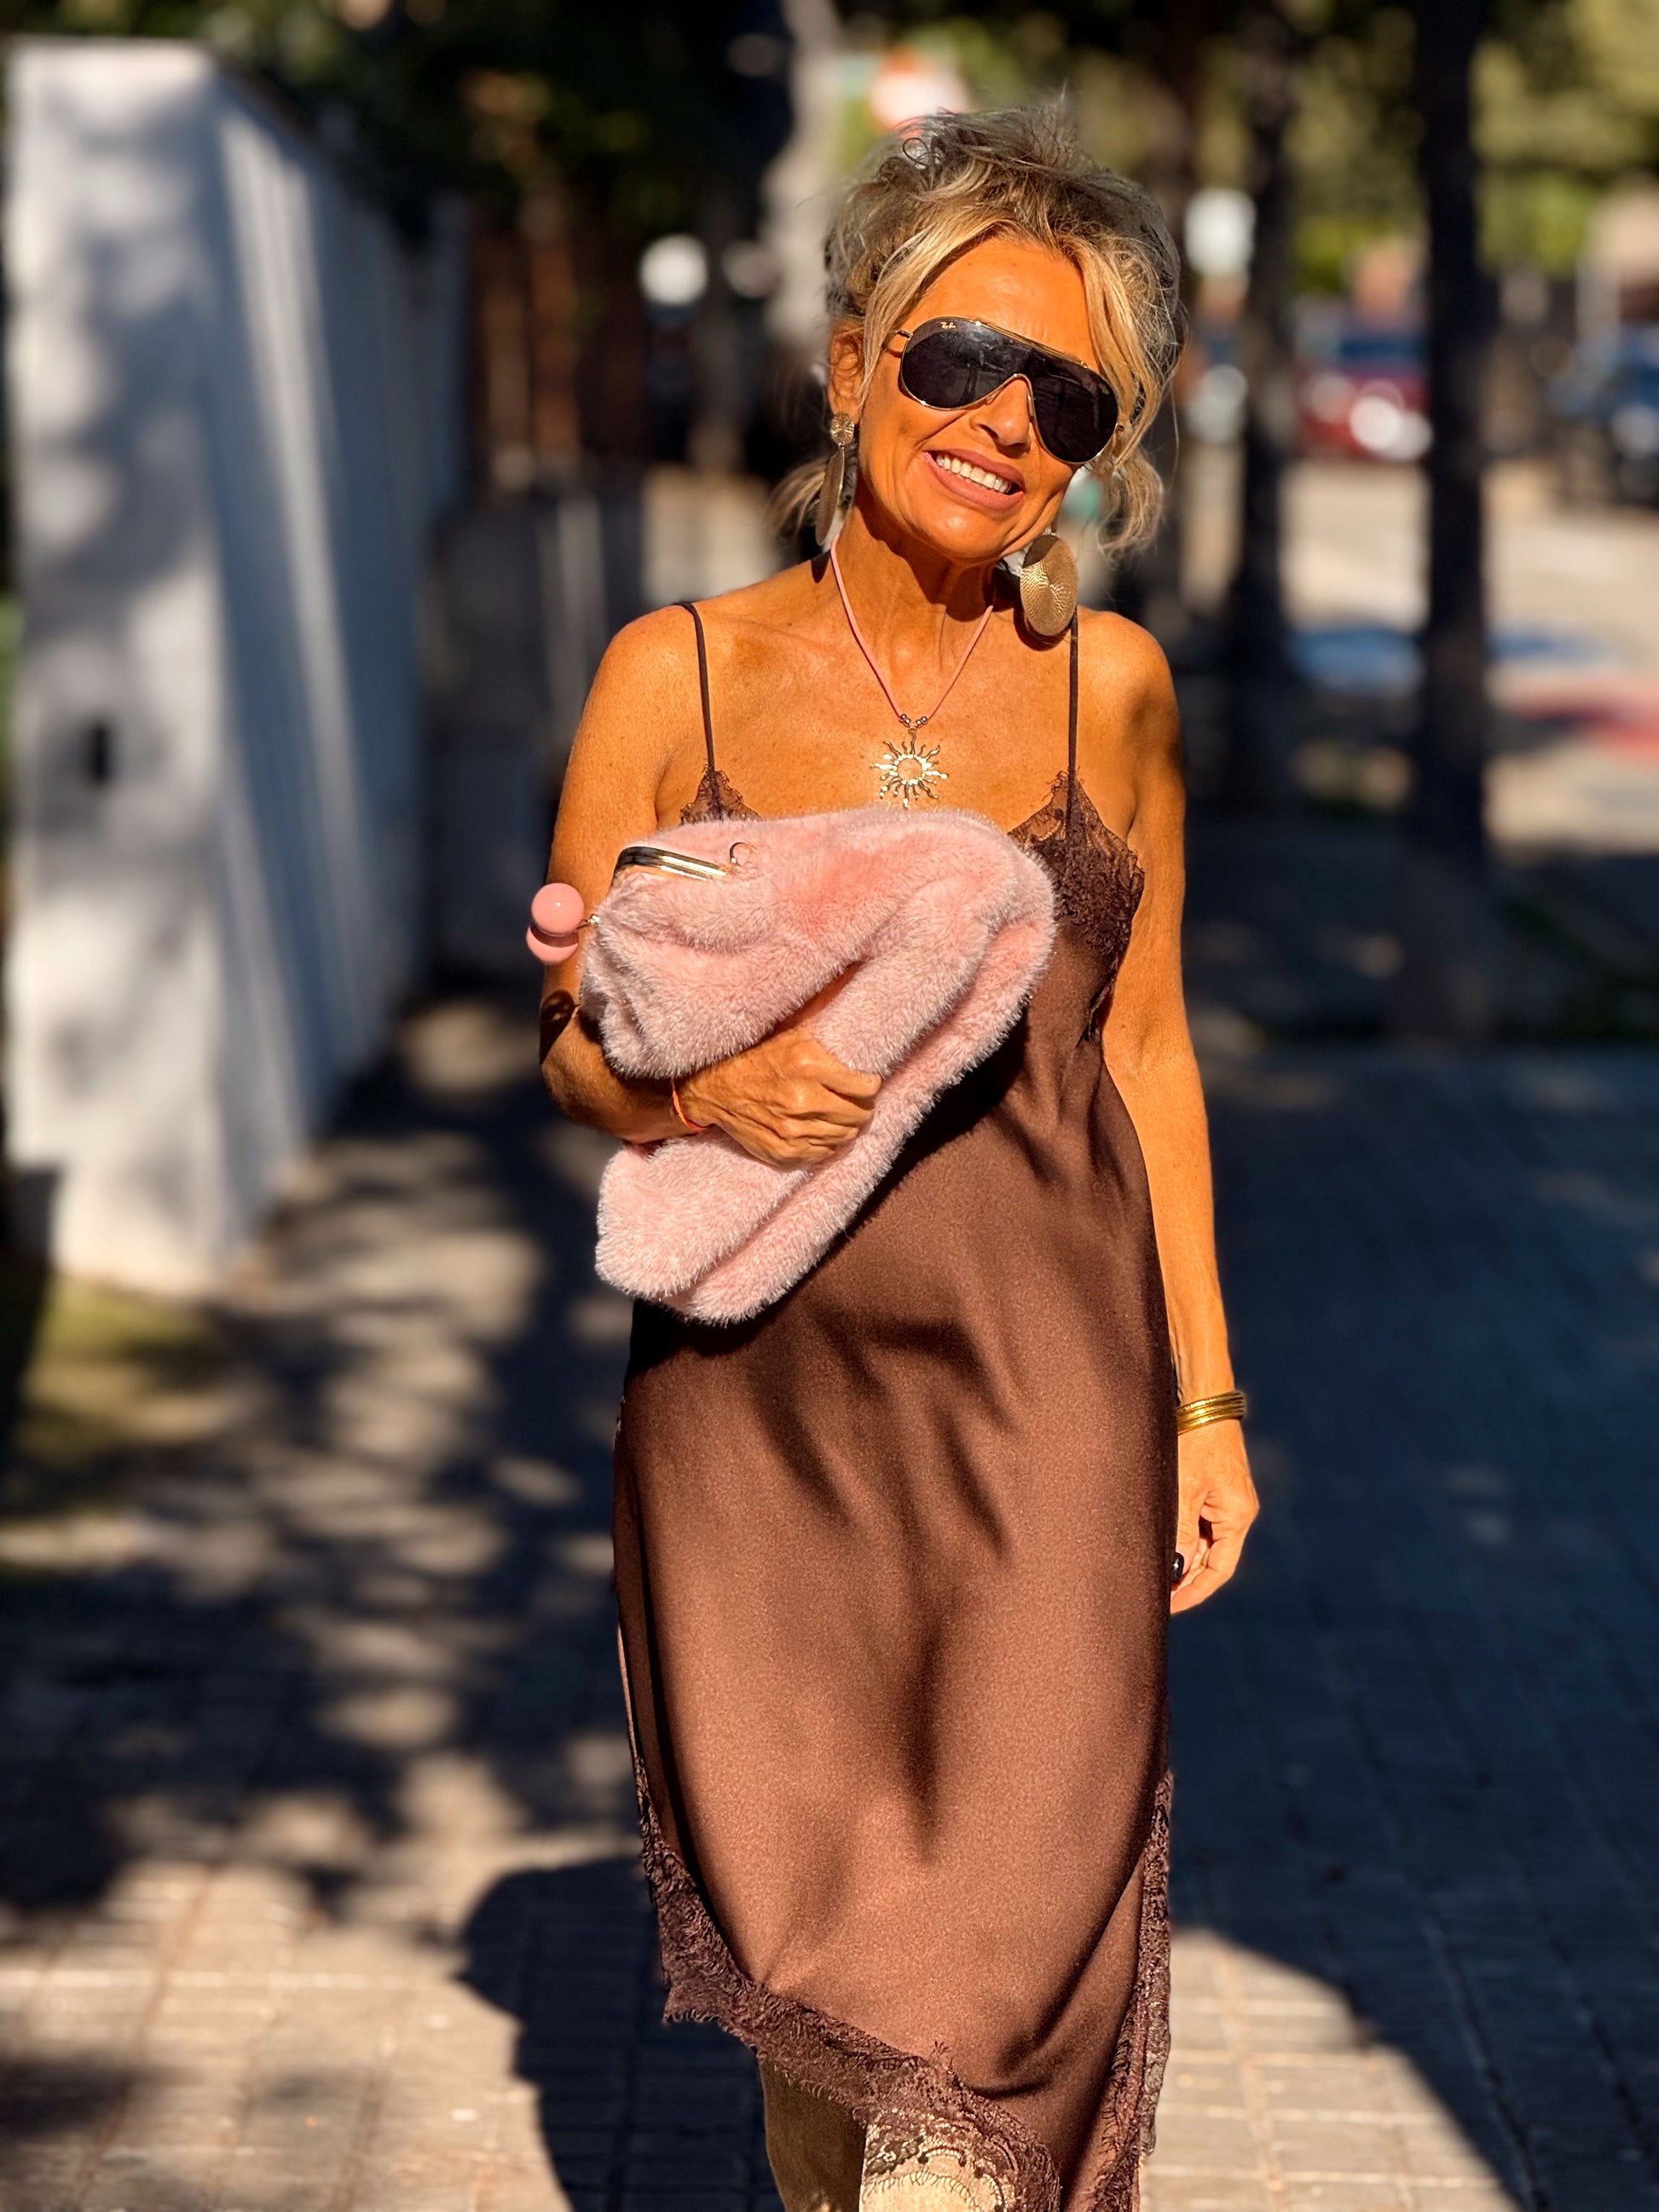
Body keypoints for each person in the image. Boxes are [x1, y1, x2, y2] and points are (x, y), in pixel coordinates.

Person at [540, 107, 1258, 2212]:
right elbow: (574, 1039)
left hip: (1046, 1417)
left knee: (985, 2005)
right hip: (756, 1429)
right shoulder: (674, 672)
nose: (1007, 423)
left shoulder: (1108, 690)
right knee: (824, 1986)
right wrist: (700, 1099)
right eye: (961, 360)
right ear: (852, 359)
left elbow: (1146, 1052)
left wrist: (1207, 1399)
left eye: (1069, 399)